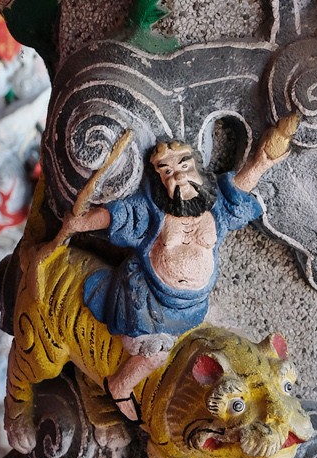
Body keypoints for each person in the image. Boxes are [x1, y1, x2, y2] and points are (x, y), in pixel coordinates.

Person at [60, 119, 296, 414]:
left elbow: (240, 188)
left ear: (198, 168)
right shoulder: (154, 212)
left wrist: (262, 161)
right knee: (154, 354)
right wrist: (79, 223)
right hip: (147, 300)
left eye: (184, 166)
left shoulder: (216, 208)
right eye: (166, 172)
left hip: (191, 303)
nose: (177, 177)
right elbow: (118, 217)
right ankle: (120, 385)